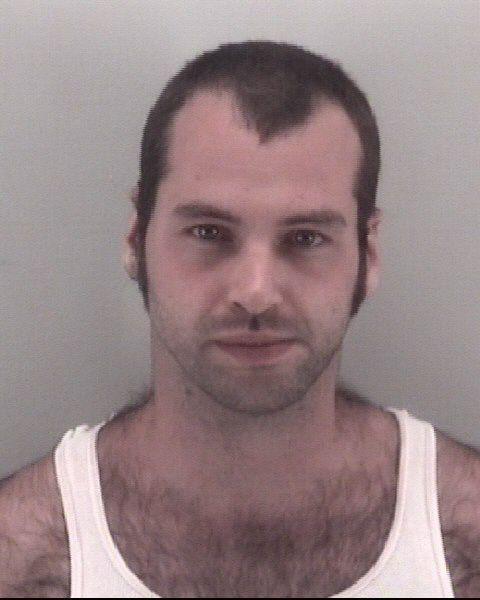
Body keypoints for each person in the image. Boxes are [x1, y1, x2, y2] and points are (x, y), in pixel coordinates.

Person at [0, 40, 479, 598]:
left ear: (367, 255)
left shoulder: (465, 539)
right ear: (136, 239)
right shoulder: (22, 558)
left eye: (305, 238)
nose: (256, 293)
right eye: (209, 233)